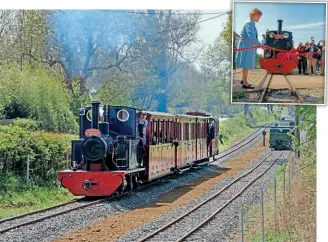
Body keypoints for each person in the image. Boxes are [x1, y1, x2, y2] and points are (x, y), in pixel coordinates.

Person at [235, 8, 264, 89]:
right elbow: (251, 37)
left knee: (246, 63)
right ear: (254, 15)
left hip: (247, 45)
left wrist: (259, 44)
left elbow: (252, 37)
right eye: (258, 17)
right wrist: (261, 45)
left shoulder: (251, 23)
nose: (259, 18)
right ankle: (245, 83)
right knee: (246, 64)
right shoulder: (249, 23)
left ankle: (243, 79)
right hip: (246, 45)